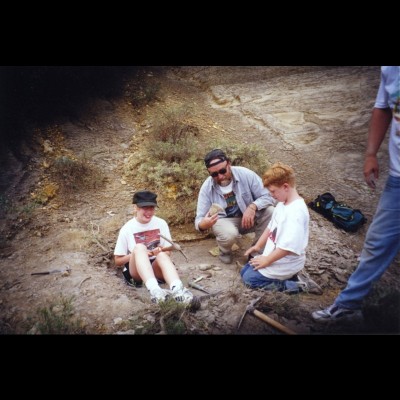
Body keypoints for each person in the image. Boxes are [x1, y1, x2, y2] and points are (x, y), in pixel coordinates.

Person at [312, 66, 400, 322]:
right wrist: (371, 153)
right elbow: (383, 107)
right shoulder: (391, 68)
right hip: (398, 178)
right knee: (376, 243)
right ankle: (348, 306)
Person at [240, 162, 321, 294]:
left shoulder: (296, 212)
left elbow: (287, 248)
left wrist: (266, 260)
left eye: (273, 191)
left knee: (249, 280)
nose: (271, 195)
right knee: (244, 271)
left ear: (285, 187)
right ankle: (292, 278)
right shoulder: (282, 204)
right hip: (274, 255)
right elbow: (271, 227)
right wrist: (258, 247)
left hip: (287, 261)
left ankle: (298, 285)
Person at [195, 148, 276, 264]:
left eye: (223, 171)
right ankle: (225, 251)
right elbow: (199, 219)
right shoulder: (207, 188)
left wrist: (253, 206)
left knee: (271, 212)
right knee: (229, 234)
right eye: (214, 174)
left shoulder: (246, 175)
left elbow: (269, 196)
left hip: (249, 218)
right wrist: (203, 225)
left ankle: (256, 253)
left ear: (229, 164)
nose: (220, 176)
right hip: (225, 222)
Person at [114, 190, 193, 305]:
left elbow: (167, 253)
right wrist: (138, 253)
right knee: (139, 248)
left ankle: (178, 291)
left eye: (152, 208)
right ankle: (155, 291)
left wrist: (157, 252)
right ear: (136, 208)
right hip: (136, 273)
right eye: (145, 208)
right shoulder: (127, 229)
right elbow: (117, 261)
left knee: (161, 255)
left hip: (156, 268)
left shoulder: (161, 223)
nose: (149, 212)